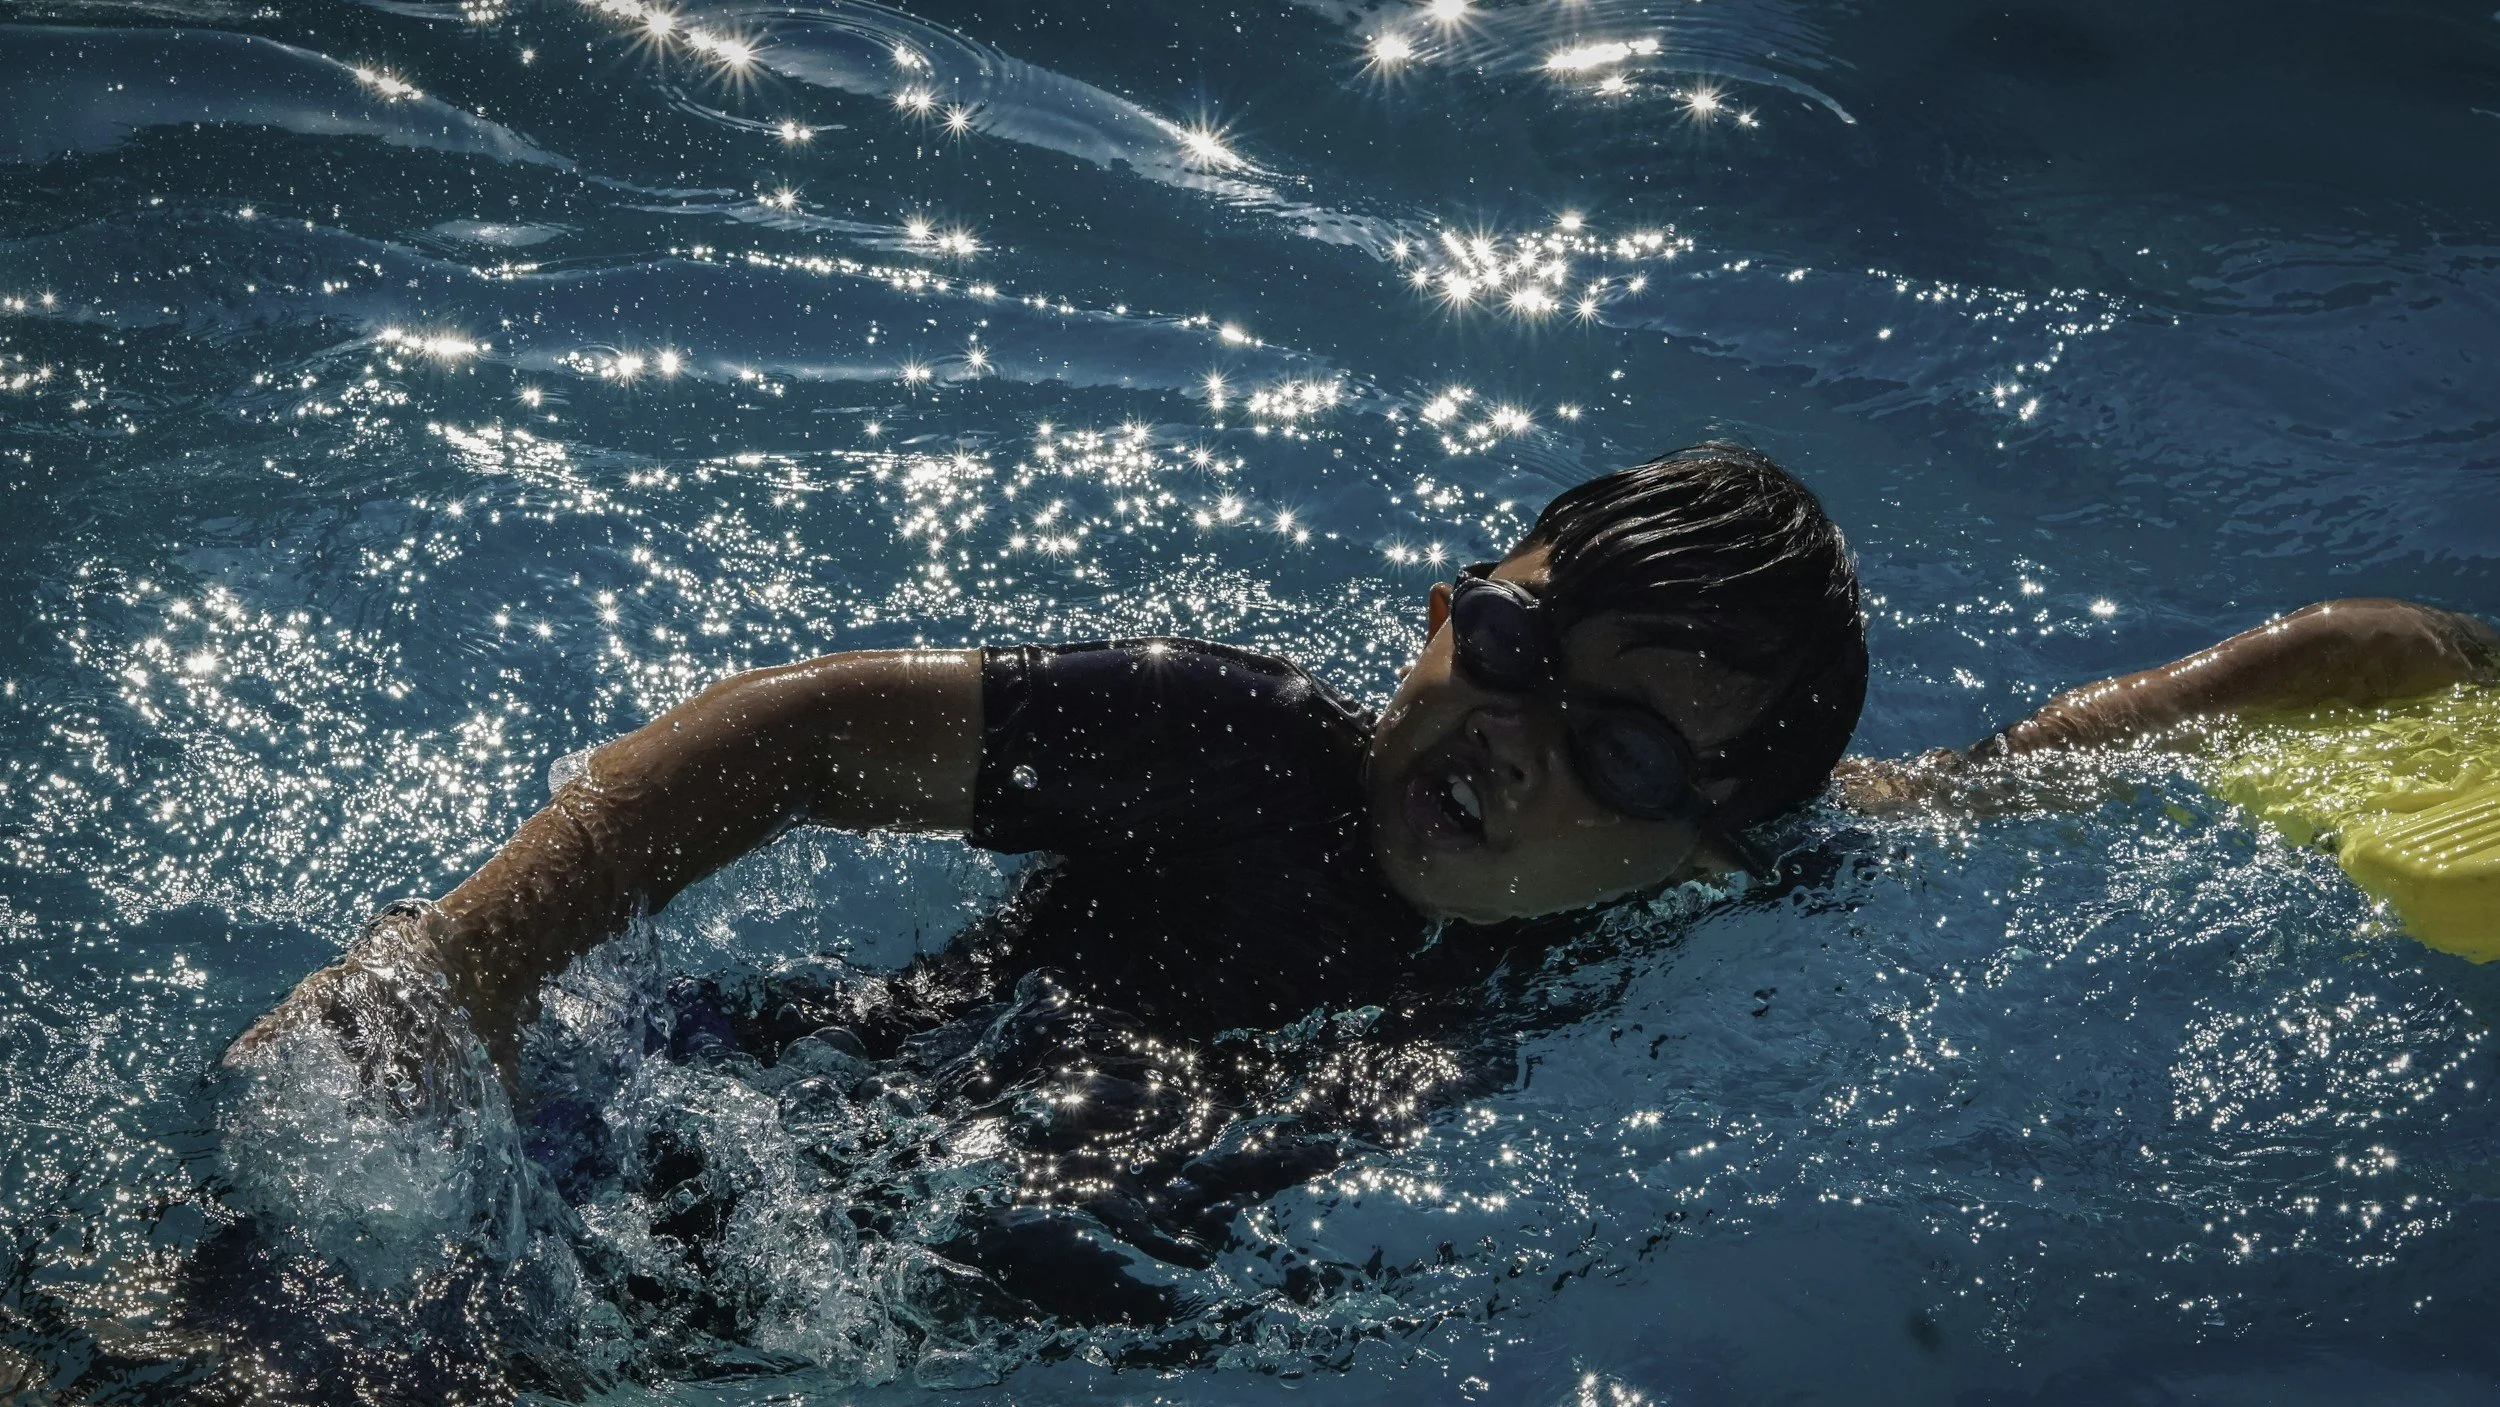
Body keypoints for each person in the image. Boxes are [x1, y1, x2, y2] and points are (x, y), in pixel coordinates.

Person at [223, 441, 2497, 1318]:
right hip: (709, 1148)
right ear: (1436, 613)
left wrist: (2341, 672)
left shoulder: (1727, 883)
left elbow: (2017, 781)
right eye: (1497, 645)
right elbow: (809, 733)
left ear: (1707, 822)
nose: (1499, 733)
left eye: (1608, 737)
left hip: (972, 1282)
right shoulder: (1237, 751)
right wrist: (456, 965)